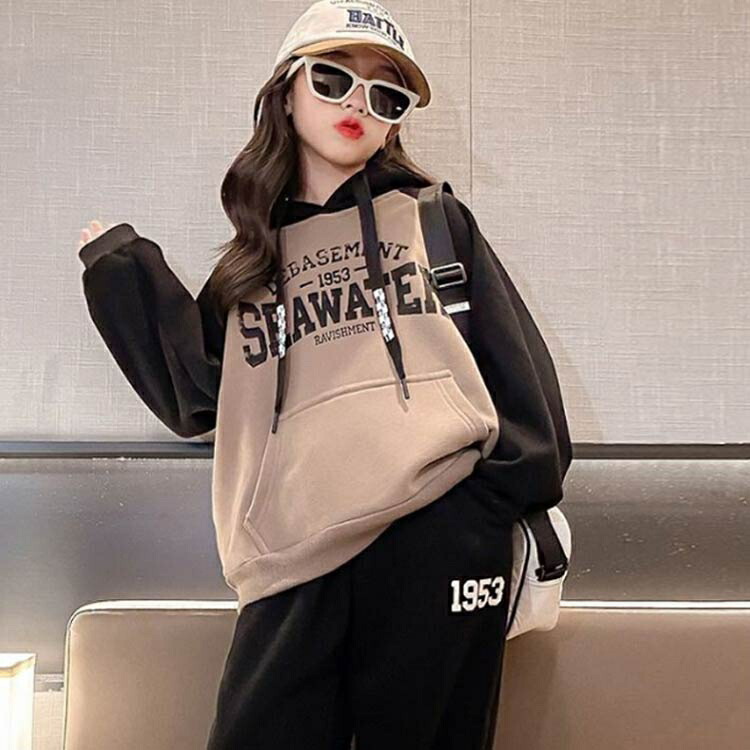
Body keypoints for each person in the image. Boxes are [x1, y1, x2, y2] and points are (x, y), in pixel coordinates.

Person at [76, 1, 572, 748]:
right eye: (334, 79)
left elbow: (524, 388)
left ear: (396, 124)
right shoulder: (253, 264)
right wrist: (123, 275)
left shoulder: (434, 221)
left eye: (387, 96)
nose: (358, 104)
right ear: (286, 92)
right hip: (290, 559)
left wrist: (471, 518)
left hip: (436, 543)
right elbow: (199, 397)